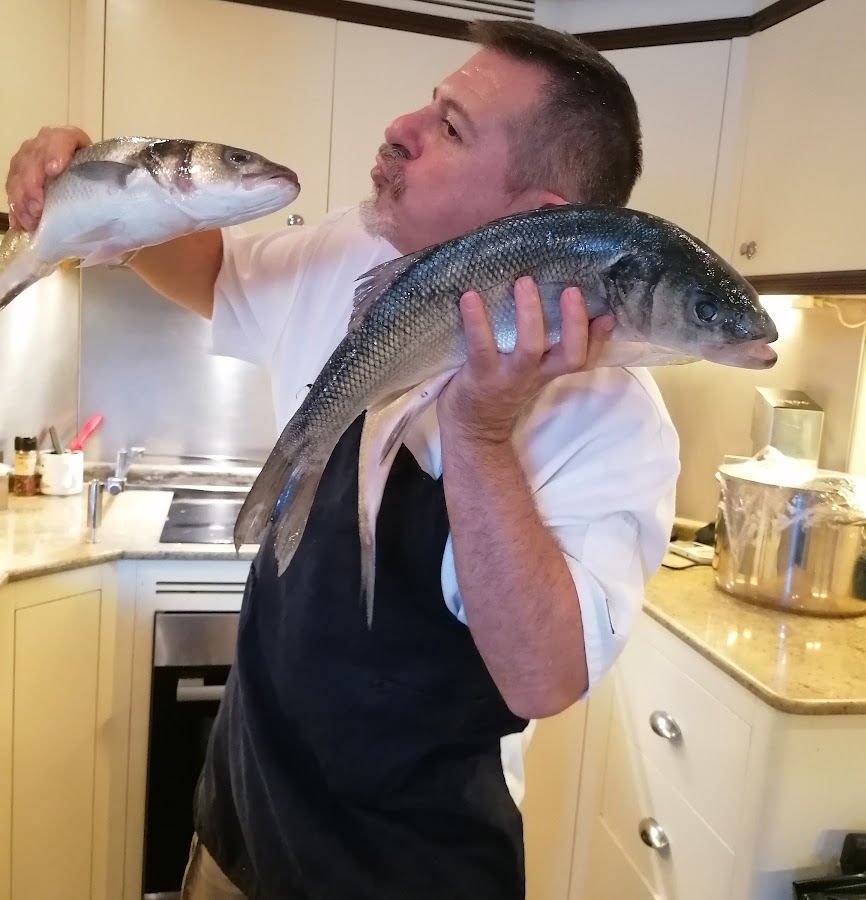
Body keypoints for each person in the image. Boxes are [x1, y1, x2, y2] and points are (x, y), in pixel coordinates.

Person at [5, 19, 679, 900]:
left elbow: (542, 674)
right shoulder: (353, 254)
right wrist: (95, 183)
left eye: (449, 128)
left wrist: (479, 435)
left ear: (535, 222)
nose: (400, 126)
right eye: (430, 105)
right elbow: (213, 275)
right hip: (234, 837)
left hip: (407, 874)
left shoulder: (615, 423)